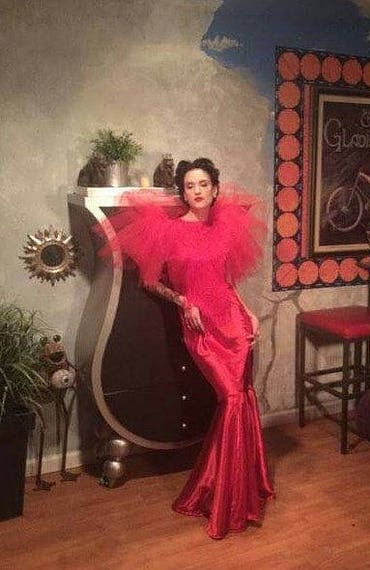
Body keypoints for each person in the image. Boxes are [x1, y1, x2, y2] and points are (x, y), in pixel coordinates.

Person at [99, 157, 274, 539]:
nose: (197, 191)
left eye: (203, 184)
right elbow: (150, 282)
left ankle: (245, 485)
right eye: (190, 185)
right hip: (201, 327)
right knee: (231, 399)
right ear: (183, 192)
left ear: (215, 189)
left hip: (234, 322)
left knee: (242, 397)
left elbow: (226, 280)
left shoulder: (224, 227)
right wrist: (184, 302)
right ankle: (220, 494)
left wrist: (248, 313)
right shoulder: (170, 230)